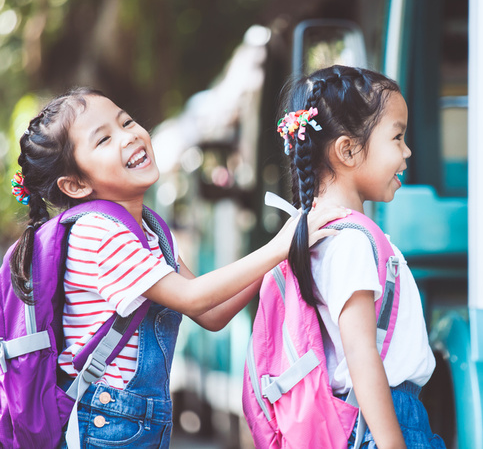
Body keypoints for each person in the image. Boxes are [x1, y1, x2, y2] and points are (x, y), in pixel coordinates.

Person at [9, 87, 349, 447]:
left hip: (126, 421)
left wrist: (281, 256)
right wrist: (281, 245)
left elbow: (213, 314)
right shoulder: (98, 232)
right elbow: (193, 298)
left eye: (126, 121)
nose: (129, 136)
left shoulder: (147, 229)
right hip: (103, 424)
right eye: (104, 139)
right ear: (75, 184)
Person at [279, 65, 446, 449]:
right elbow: (361, 355)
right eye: (397, 136)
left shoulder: (338, 236)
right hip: (387, 420)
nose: (407, 151)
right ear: (348, 150)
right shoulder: (350, 241)